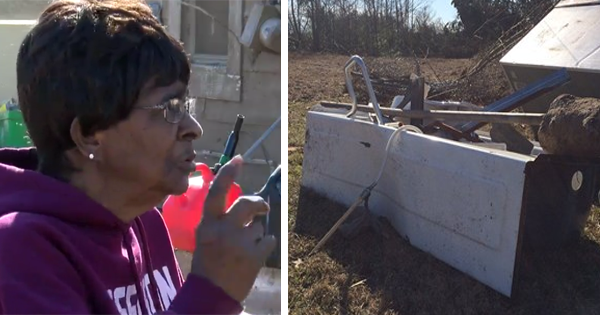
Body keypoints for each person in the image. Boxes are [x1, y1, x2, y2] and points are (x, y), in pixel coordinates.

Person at [0, 0, 276, 314]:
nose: (193, 128)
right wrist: (212, 293)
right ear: (90, 135)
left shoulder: (147, 223)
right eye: (170, 109)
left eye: (185, 107)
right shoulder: (21, 250)